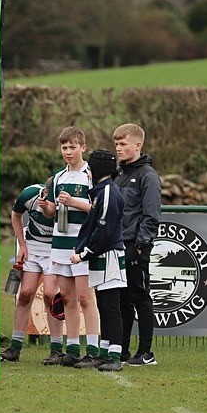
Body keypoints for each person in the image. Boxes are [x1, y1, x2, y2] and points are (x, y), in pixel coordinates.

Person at [39, 126, 99, 367]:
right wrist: (45, 206)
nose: (68, 151)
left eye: (72, 147)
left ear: (82, 148)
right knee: (66, 298)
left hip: (82, 244)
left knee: (86, 297)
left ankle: (93, 349)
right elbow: (52, 212)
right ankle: (72, 349)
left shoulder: (90, 175)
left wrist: (74, 201)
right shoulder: (57, 178)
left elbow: (97, 209)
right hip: (60, 244)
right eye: (64, 147)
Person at [71, 149, 127, 372]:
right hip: (100, 256)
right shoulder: (101, 192)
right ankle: (104, 352)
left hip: (110, 257)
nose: (88, 173)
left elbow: (104, 230)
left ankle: (115, 354)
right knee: (103, 305)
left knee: (112, 306)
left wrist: (84, 253)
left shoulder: (108, 193)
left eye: (90, 169)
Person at [113, 123, 161, 366]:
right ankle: (121, 350)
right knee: (123, 298)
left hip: (136, 245)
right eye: (117, 144)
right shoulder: (120, 174)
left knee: (140, 296)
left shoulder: (148, 176)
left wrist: (142, 243)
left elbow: (151, 214)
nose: (118, 148)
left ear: (137, 145)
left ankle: (146, 352)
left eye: (122, 144)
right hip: (119, 244)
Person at [0, 182, 63, 363]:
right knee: (26, 294)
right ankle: (15, 348)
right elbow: (16, 216)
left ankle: (56, 349)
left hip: (54, 249)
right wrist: (22, 244)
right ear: (44, 192)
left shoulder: (63, 202)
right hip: (33, 248)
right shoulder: (29, 195)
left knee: (50, 295)